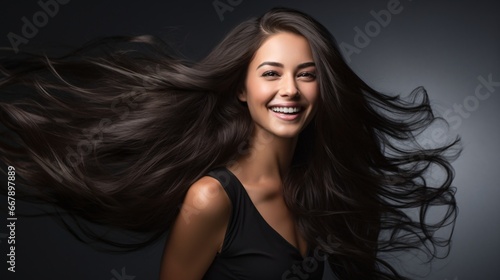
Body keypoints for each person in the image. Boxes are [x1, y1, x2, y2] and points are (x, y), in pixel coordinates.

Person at [0, 7, 460, 280]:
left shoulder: (319, 188)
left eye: (307, 74)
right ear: (241, 89)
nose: (290, 91)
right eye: (271, 74)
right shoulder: (211, 199)